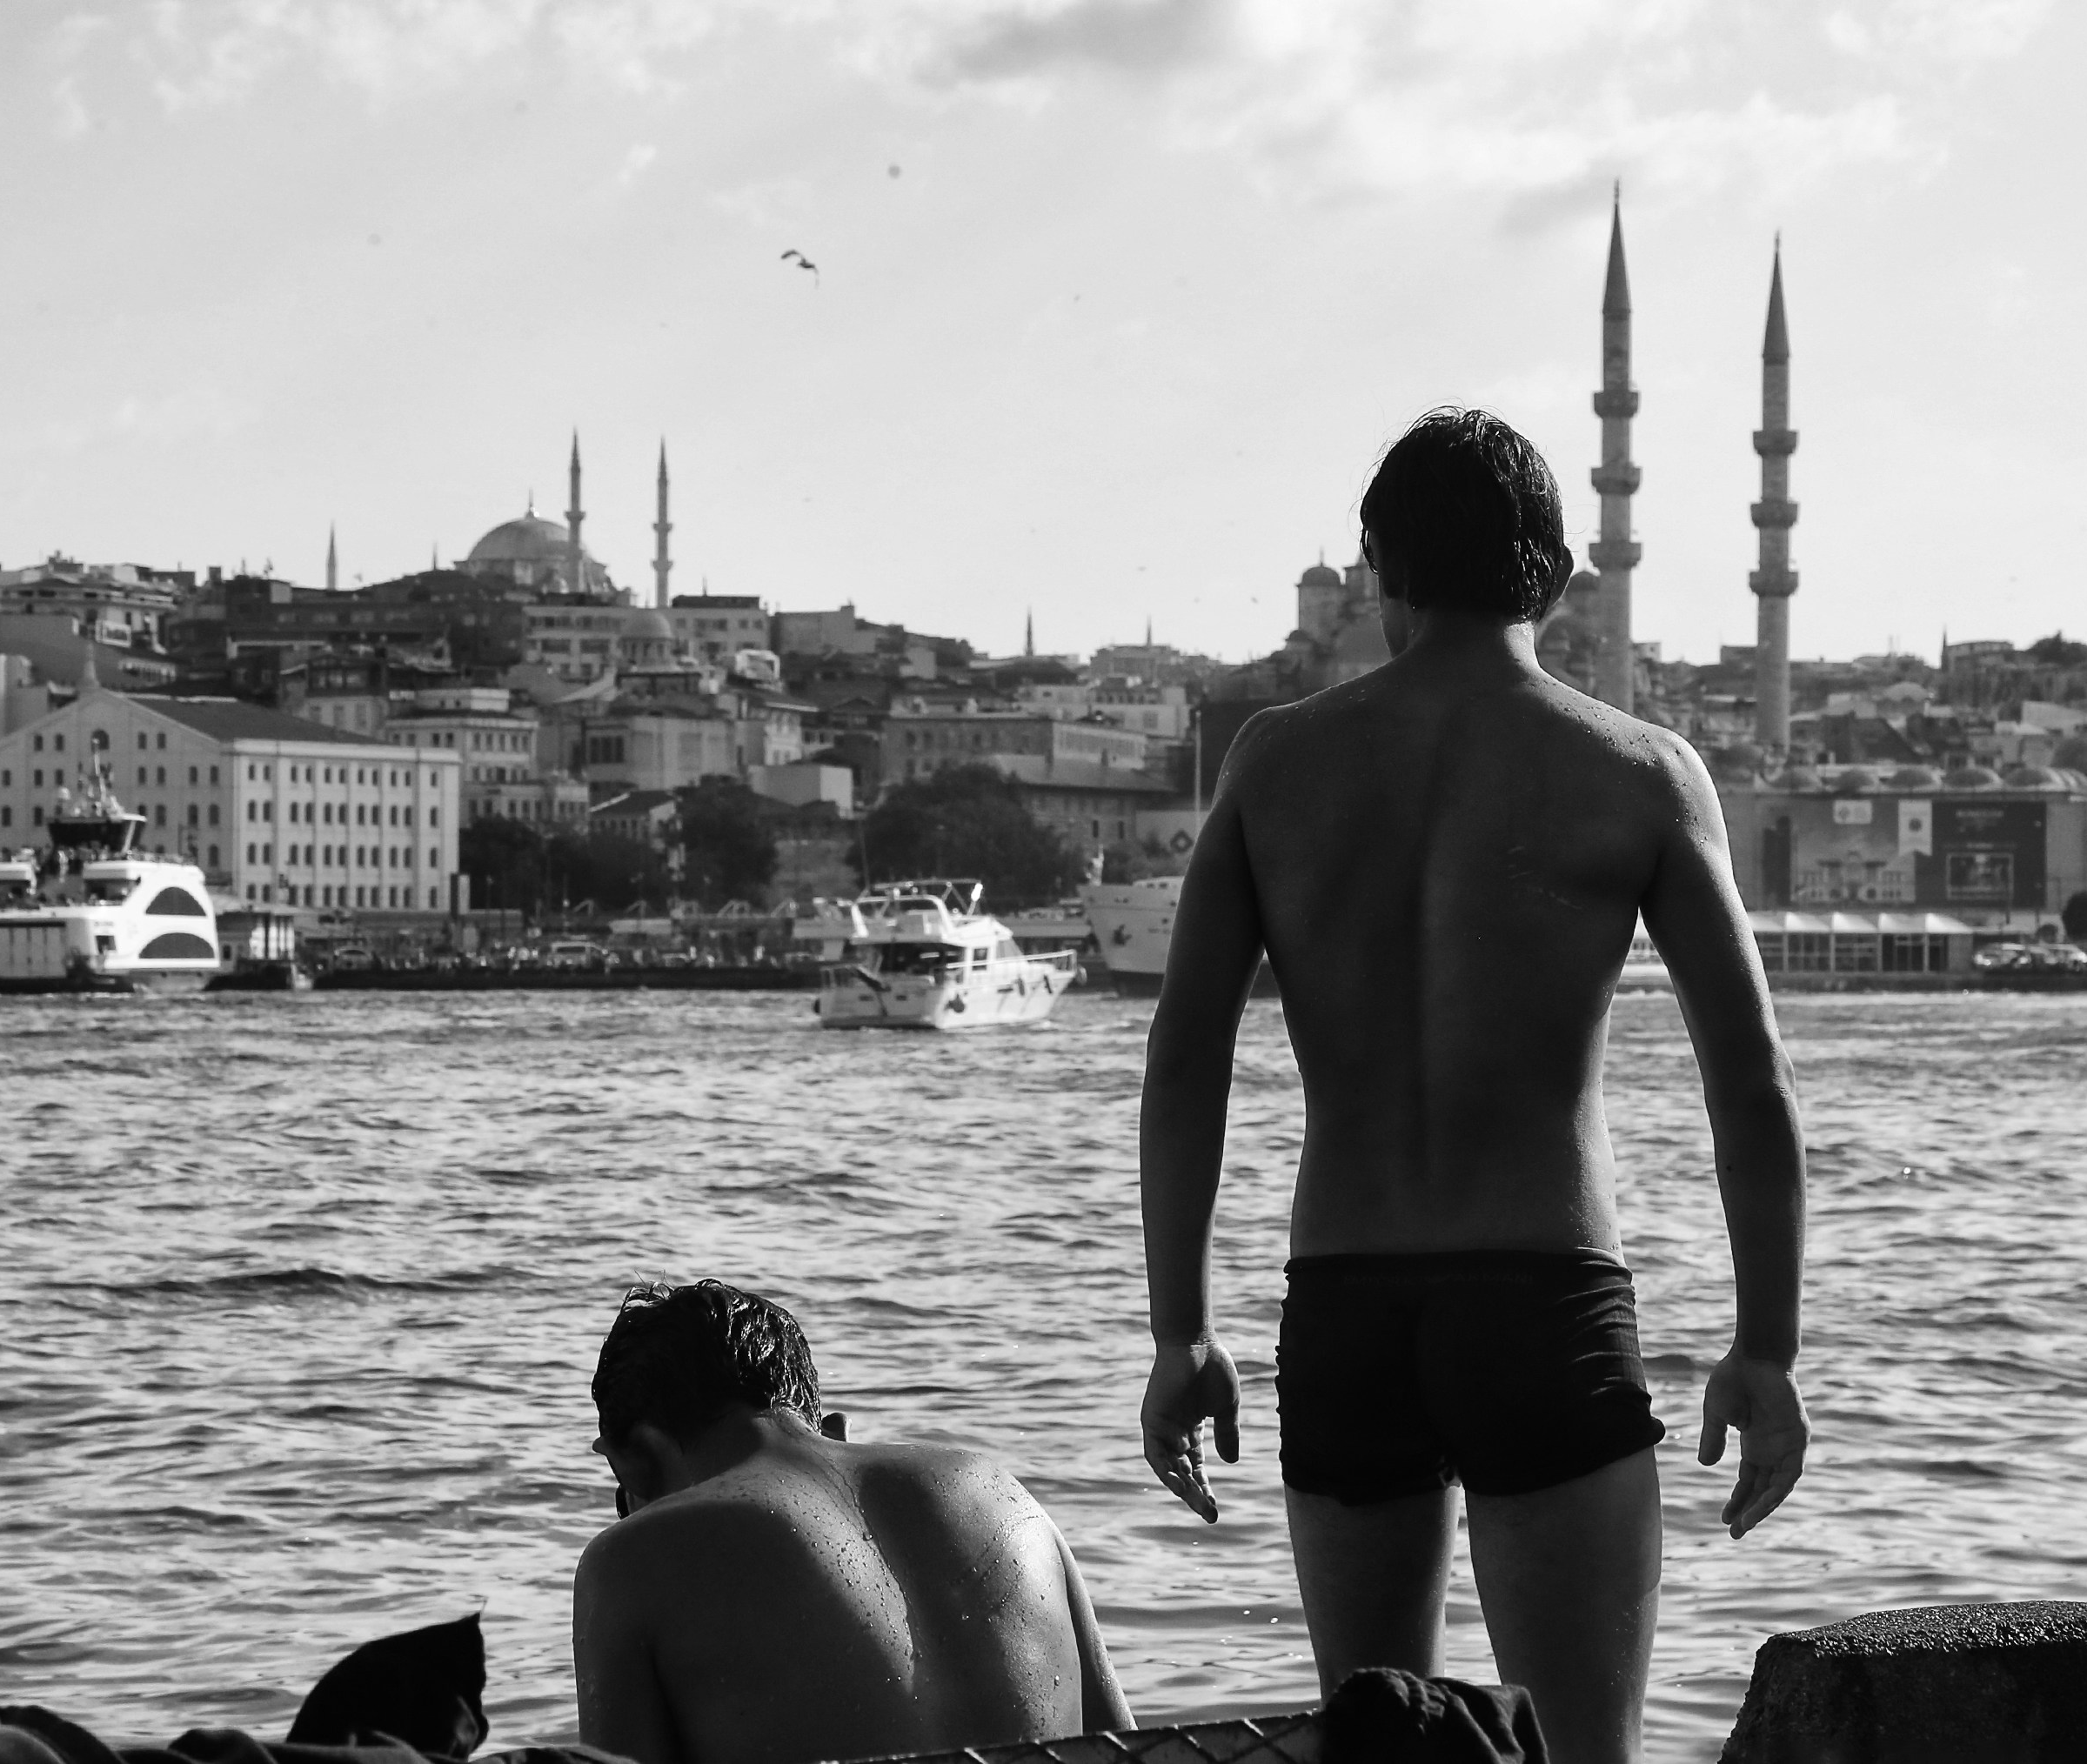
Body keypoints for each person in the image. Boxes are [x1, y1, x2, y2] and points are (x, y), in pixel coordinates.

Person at [1137, 408, 1809, 1764]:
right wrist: (1766, 1350)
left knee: (1383, 1755)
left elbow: (1186, 1058)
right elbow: (1749, 1081)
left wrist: (1181, 1333)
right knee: (1581, 1758)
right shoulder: (1637, 773)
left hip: (1344, 1311)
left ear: (1378, 573)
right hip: (1542, 1301)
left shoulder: (1274, 763)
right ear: (1559, 579)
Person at [573, 1280, 1130, 1764]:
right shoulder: (1004, 1495)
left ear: (634, 1461)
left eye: (626, 1502)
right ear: (831, 1430)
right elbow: (1129, 1748)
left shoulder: (633, 1559)